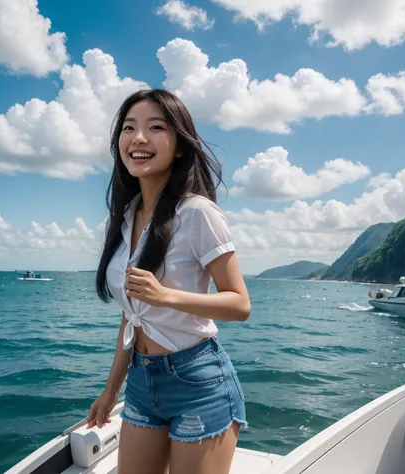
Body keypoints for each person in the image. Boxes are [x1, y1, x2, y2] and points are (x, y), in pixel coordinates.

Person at [88, 89, 251, 474]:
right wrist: (112, 389)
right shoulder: (126, 216)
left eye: (155, 128)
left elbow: (239, 304)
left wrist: (166, 295)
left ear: (179, 146)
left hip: (198, 380)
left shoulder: (197, 213)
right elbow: (132, 315)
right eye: (129, 128)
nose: (139, 138)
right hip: (142, 383)